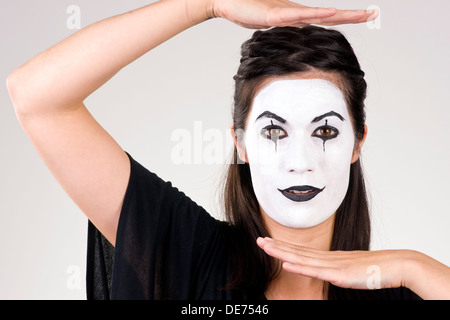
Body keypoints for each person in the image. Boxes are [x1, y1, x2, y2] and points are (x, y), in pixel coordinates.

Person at [7, 0, 450, 300]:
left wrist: (418, 267)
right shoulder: (185, 254)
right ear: (240, 143)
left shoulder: (406, 286)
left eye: (326, 133)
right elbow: (37, 97)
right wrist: (203, 4)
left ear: (358, 143)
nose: (301, 161)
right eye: (274, 132)